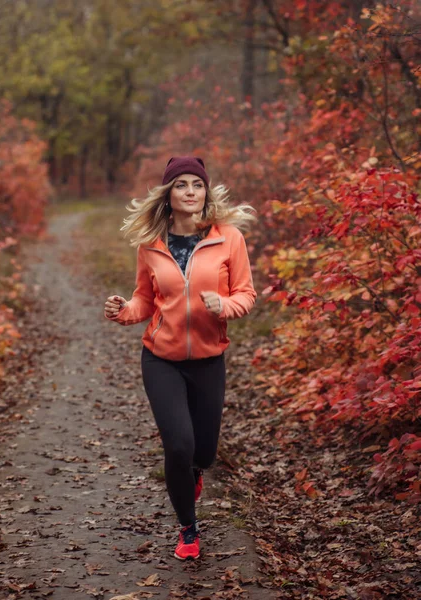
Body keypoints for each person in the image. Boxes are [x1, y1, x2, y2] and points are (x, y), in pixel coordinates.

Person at [104, 156, 257, 561]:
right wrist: (125, 310)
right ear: (168, 195)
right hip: (162, 359)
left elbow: (246, 294)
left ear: (206, 192)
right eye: (181, 185)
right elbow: (145, 299)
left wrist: (223, 305)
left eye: (197, 185)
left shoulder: (229, 238)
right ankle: (188, 530)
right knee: (178, 444)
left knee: (202, 453)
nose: (190, 192)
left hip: (208, 359)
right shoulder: (151, 244)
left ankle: (194, 474)